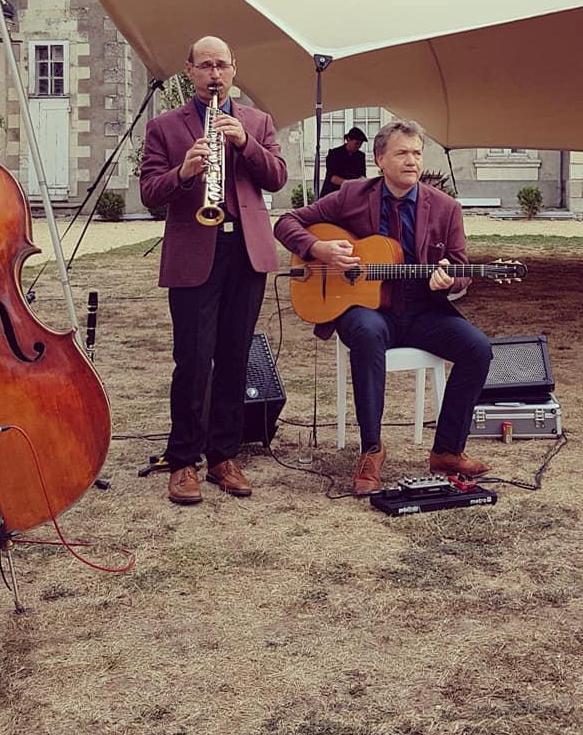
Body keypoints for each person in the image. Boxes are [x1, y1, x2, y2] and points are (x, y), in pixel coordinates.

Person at [274, 120, 492, 494]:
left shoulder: (445, 208)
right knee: (367, 332)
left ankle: (447, 451)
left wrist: (450, 279)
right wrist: (318, 248)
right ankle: (372, 449)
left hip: (423, 310)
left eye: (417, 153)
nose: (412, 161)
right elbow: (287, 221)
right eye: (402, 153)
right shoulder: (353, 195)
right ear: (379, 160)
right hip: (368, 311)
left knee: (478, 349)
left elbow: (459, 265)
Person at [139, 36, 287, 505]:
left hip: (246, 252)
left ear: (234, 69)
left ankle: (224, 454)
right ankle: (184, 459)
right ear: (190, 71)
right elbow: (149, 192)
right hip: (194, 253)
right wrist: (183, 172)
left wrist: (245, 144)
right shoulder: (165, 126)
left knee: (234, 357)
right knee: (193, 360)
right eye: (205, 66)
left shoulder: (257, 121)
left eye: (222, 65)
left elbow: (278, 177)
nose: (215, 74)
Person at [319, 126, 367, 198]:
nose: (358, 147)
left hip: (351, 194)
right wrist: (351, 184)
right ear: (348, 139)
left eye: (360, 144)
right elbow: (333, 178)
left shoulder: (360, 156)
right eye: (356, 143)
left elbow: (362, 176)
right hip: (333, 193)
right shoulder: (335, 154)